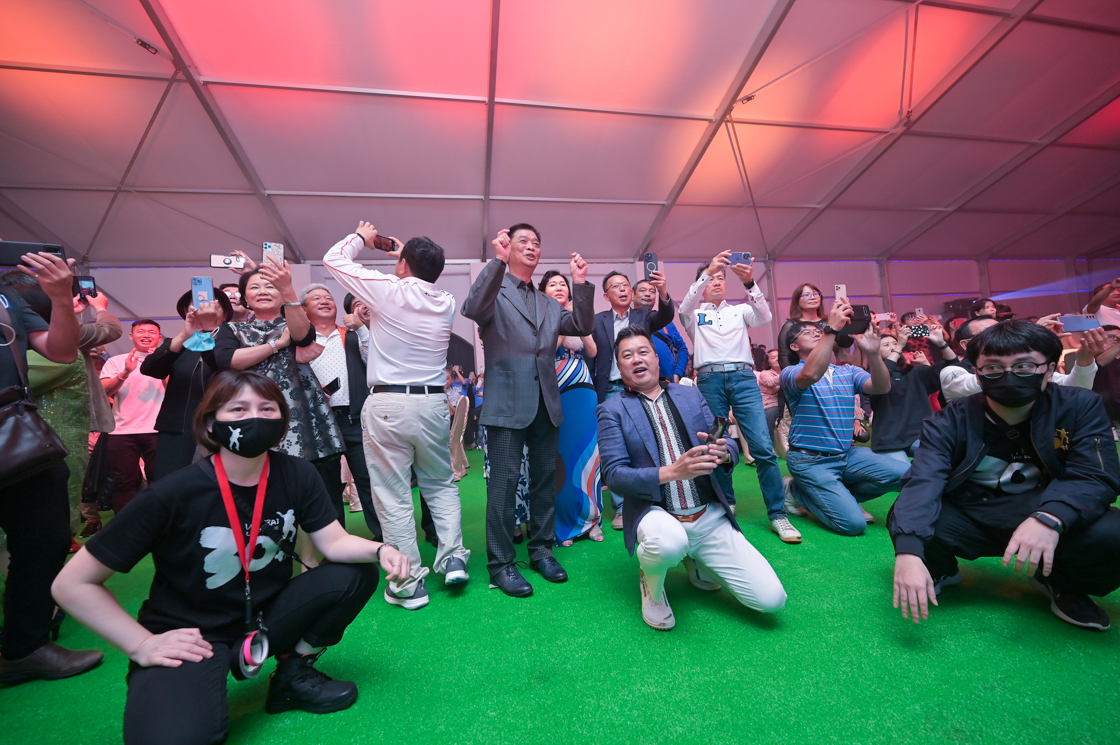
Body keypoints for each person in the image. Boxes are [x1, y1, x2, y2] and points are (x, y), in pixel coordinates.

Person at [51, 371, 410, 742]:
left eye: (267, 408)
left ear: (282, 421)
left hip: (265, 615)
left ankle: (293, 673)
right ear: (211, 423)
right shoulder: (172, 493)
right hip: (191, 634)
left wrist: (381, 549)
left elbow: (333, 543)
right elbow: (71, 584)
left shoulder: (298, 474)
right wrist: (141, 644)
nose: (254, 417)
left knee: (355, 572)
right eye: (238, 409)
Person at [888, 321, 1120, 631]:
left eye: (1024, 366)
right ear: (978, 373)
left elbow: (1094, 475)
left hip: (1042, 505)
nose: (1009, 376)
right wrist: (908, 551)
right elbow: (923, 482)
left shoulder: (1080, 405)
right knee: (905, 513)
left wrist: (1050, 517)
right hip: (971, 512)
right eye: (994, 367)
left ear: (1050, 369)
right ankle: (940, 568)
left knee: (1113, 532)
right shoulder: (948, 420)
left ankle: (1060, 580)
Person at [597, 327, 786, 631]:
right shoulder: (611, 410)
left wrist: (724, 453)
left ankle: (695, 562)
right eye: (627, 356)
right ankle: (651, 584)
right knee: (668, 543)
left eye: (643, 352)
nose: (636, 360)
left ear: (656, 358)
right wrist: (673, 472)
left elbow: (727, 443)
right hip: (657, 514)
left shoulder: (690, 394)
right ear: (619, 367)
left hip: (708, 516)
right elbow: (614, 475)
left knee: (772, 599)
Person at [324, 222, 471, 609]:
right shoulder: (446, 300)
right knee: (440, 484)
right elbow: (422, 277)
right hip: (433, 403)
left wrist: (361, 237)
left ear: (403, 265)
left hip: (389, 403)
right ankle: (453, 558)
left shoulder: (388, 289)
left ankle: (408, 584)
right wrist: (407, 255)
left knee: (393, 494)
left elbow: (333, 259)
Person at [461, 224, 594, 597]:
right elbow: (472, 308)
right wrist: (497, 262)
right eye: (524, 241)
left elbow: (581, 324)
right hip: (506, 401)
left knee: (544, 480)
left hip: (545, 402)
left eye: (537, 243)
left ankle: (542, 551)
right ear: (508, 247)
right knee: (503, 484)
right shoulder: (495, 290)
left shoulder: (549, 303)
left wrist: (579, 283)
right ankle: (501, 564)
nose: (532, 247)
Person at [0, 250, 103, 684]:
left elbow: (61, 352)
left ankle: (25, 648)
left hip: (13, 431)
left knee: (46, 536)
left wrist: (61, 297)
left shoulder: (7, 297)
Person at [679, 252, 798, 544]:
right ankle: (725, 503)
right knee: (716, 444)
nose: (717, 282)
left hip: (744, 380)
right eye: (711, 278)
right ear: (701, 284)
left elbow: (765, 317)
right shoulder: (694, 314)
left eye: (721, 278)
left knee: (763, 447)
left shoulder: (740, 311)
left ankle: (777, 514)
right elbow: (684, 306)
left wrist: (750, 283)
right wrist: (707, 271)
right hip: (709, 381)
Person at [214, 258, 346, 517]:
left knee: (320, 485)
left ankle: (329, 538)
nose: (263, 291)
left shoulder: (293, 321)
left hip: (303, 412)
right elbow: (228, 360)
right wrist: (276, 345)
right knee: (263, 486)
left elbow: (302, 336)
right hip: (254, 413)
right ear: (244, 298)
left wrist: (288, 290)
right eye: (254, 287)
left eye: (270, 286)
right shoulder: (231, 329)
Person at [780, 300, 910, 536]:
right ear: (794, 346)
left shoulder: (847, 371)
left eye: (819, 330)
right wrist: (829, 330)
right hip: (810, 460)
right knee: (853, 525)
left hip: (847, 455)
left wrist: (872, 354)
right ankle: (795, 490)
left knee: (907, 475)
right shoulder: (791, 372)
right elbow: (812, 373)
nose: (816, 333)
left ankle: (841, 496)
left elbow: (881, 387)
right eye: (807, 332)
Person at [299, 284, 382, 540]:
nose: (325, 301)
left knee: (369, 481)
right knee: (327, 486)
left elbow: (375, 362)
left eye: (328, 297)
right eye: (316, 298)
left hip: (355, 419)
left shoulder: (351, 335)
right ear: (303, 309)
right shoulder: (299, 342)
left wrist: (362, 328)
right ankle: (335, 544)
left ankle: (384, 538)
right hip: (318, 423)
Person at [540, 269, 603, 546]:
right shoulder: (541, 316)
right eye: (552, 284)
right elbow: (546, 349)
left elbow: (593, 350)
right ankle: (565, 522)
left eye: (563, 284)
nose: (559, 287)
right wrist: (561, 320)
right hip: (554, 385)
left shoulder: (578, 314)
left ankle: (592, 518)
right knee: (561, 455)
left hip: (582, 384)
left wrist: (578, 318)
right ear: (543, 292)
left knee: (589, 452)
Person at [141, 291, 232, 482]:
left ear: (225, 314)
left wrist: (209, 332)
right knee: (172, 482)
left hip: (223, 427)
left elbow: (224, 366)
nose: (205, 310)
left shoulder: (234, 344)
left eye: (213, 306)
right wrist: (185, 335)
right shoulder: (179, 343)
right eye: (198, 306)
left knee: (218, 484)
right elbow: (150, 369)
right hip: (178, 427)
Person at [941, 316, 1100, 400]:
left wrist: (1084, 359)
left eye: (1001, 331)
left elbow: (1076, 388)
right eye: (989, 333)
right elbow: (991, 381)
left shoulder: (1027, 366)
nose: (999, 337)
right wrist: (1028, 337)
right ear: (966, 344)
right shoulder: (952, 372)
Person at [100, 320, 166, 513]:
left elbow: (177, 391)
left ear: (159, 338)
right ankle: (125, 524)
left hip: (158, 429)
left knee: (160, 479)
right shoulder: (116, 361)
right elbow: (104, 390)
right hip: (121, 430)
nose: (146, 335)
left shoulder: (168, 361)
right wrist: (125, 372)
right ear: (131, 336)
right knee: (123, 482)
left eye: (151, 332)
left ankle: (159, 522)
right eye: (141, 331)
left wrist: (161, 365)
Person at [870, 320, 957, 461]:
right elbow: (883, 374)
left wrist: (942, 343)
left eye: (895, 343)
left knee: (943, 459)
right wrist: (899, 346)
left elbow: (953, 367)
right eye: (886, 345)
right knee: (900, 471)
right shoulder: (872, 377)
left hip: (919, 435)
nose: (893, 347)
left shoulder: (917, 372)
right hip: (889, 438)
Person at [590, 269, 675, 403]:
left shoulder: (644, 314)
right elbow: (590, 359)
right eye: (616, 286)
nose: (622, 289)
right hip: (610, 389)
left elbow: (665, 317)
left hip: (641, 387)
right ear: (606, 296)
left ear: (631, 292)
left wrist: (663, 292)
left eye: (625, 285)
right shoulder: (598, 321)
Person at [632, 278, 688, 383]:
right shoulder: (626, 321)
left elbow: (682, 349)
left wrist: (677, 374)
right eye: (643, 290)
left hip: (668, 383)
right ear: (632, 295)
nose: (647, 294)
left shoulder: (667, 323)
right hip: (638, 383)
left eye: (652, 291)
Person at [777, 283, 827, 369]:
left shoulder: (828, 322)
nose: (812, 297)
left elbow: (843, 347)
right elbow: (784, 356)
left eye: (815, 294)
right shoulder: (791, 325)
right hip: (800, 371)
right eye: (806, 295)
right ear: (797, 301)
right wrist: (793, 375)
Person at [758, 349, 782, 438]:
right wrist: (787, 373)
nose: (777, 359)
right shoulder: (765, 374)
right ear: (768, 362)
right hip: (771, 404)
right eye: (773, 357)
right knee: (770, 413)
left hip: (785, 404)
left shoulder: (788, 370)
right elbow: (771, 382)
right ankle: (767, 441)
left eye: (779, 356)